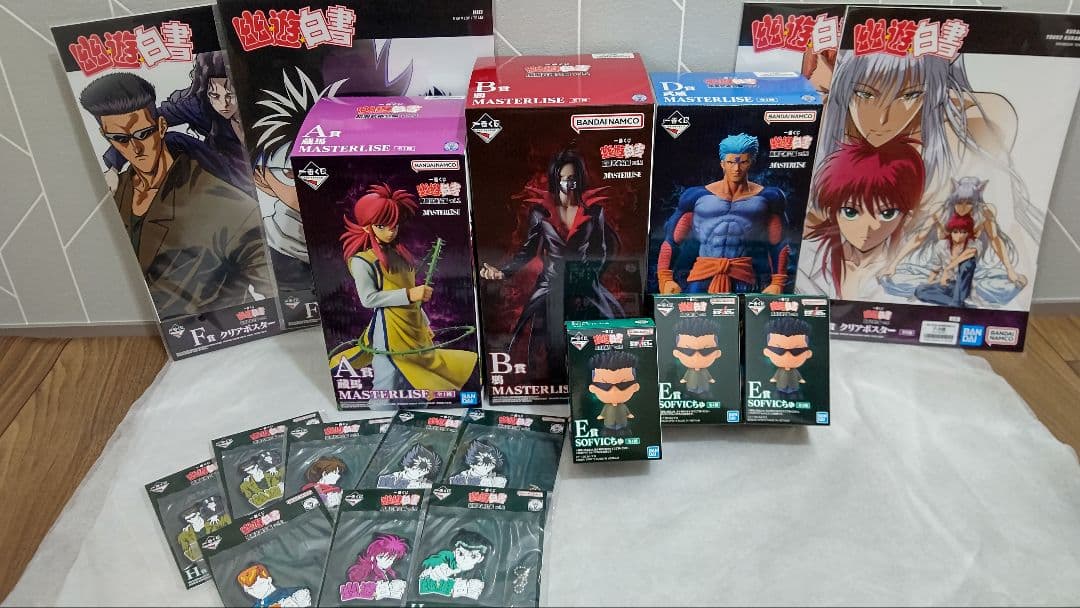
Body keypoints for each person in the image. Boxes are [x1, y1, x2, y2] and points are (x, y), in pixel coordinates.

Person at [78, 72, 271, 320]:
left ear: (160, 128)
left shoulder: (228, 205)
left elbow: (273, 291)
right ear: (106, 137)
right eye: (120, 139)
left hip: (215, 327)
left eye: (143, 134)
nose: (136, 149)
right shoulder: (113, 195)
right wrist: (113, 167)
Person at [479, 149, 623, 383]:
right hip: (551, 284)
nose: (568, 183)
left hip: (584, 284)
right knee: (550, 343)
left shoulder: (594, 211)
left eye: (572, 177)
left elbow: (602, 250)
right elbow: (528, 250)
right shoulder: (541, 212)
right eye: (563, 177)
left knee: (595, 337)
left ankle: (590, 383)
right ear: (556, 178)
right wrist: (503, 272)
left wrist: (590, 276)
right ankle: (553, 383)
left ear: (580, 177)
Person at [332, 184, 477, 408]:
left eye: (395, 225)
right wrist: (410, 294)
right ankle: (380, 417)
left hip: (413, 327)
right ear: (368, 227)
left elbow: (412, 300)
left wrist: (424, 322)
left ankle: (417, 414)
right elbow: (369, 299)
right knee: (388, 378)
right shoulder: (362, 261)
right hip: (389, 330)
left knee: (419, 377)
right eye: (383, 226)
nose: (391, 231)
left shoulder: (400, 255)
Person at [656, 133, 791, 295]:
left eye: (743, 162)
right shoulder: (696, 196)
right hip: (704, 271)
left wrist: (778, 282)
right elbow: (672, 239)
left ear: (751, 162)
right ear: (722, 164)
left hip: (742, 273)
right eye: (731, 162)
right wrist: (665, 279)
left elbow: (778, 243)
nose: (736, 169)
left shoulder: (768, 198)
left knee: (743, 310)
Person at [101, 51, 252, 196]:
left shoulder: (257, 101)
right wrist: (113, 168)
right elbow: (143, 122)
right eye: (215, 95)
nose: (223, 104)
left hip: (258, 171)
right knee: (170, 138)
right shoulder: (200, 106)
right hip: (228, 171)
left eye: (230, 95)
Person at [800, 137, 925, 300]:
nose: (868, 227)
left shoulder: (911, 269)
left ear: (906, 217)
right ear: (832, 212)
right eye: (850, 212)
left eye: (887, 214)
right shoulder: (805, 257)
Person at [418, 531, 493, 600]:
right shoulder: (445, 564)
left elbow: (474, 594)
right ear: (454, 552)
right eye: (461, 553)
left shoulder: (477, 575)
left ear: (480, 559)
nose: (465, 559)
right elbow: (429, 563)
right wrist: (431, 572)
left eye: (473, 556)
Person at [340, 534, 409, 602]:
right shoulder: (365, 574)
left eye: (391, 558)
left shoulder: (393, 574)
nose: (386, 561)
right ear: (372, 557)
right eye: (381, 557)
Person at [588, 351, 641, 437]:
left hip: (622, 422)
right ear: (593, 388)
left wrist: (629, 414)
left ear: (635, 387)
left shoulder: (623, 406)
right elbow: (604, 412)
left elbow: (626, 411)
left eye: (623, 384)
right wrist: (601, 416)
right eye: (605, 385)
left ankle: (623, 431)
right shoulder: (607, 406)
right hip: (608, 423)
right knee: (608, 431)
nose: (614, 390)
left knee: (623, 431)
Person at [762, 317, 813, 402]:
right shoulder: (780, 371)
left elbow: (798, 376)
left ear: (808, 353)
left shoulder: (794, 371)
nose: (787, 355)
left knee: (795, 397)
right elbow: (776, 376)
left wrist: (801, 379)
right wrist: (774, 379)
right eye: (779, 350)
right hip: (781, 387)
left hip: (794, 387)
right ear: (767, 352)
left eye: (796, 350)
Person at [671, 317, 723, 396]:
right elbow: (687, 376)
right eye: (688, 351)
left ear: (717, 353)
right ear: (676, 353)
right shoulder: (690, 371)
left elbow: (707, 375)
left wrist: (710, 379)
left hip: (704, 385)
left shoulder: (704, 371)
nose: (696, 356)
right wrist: (684, 379)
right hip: (691, 385)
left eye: (706, 351)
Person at [236, 563, 311, 608]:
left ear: (268, 579)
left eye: (256, 585)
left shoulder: (295, 594)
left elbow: (304, 596)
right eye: (249, 589)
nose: (254, 591)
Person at [377, 444, 441, 490]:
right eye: (416, 469)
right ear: (406, 467)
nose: (420, 473)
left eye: (424, 471)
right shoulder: (386, 480)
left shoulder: (426, 484)